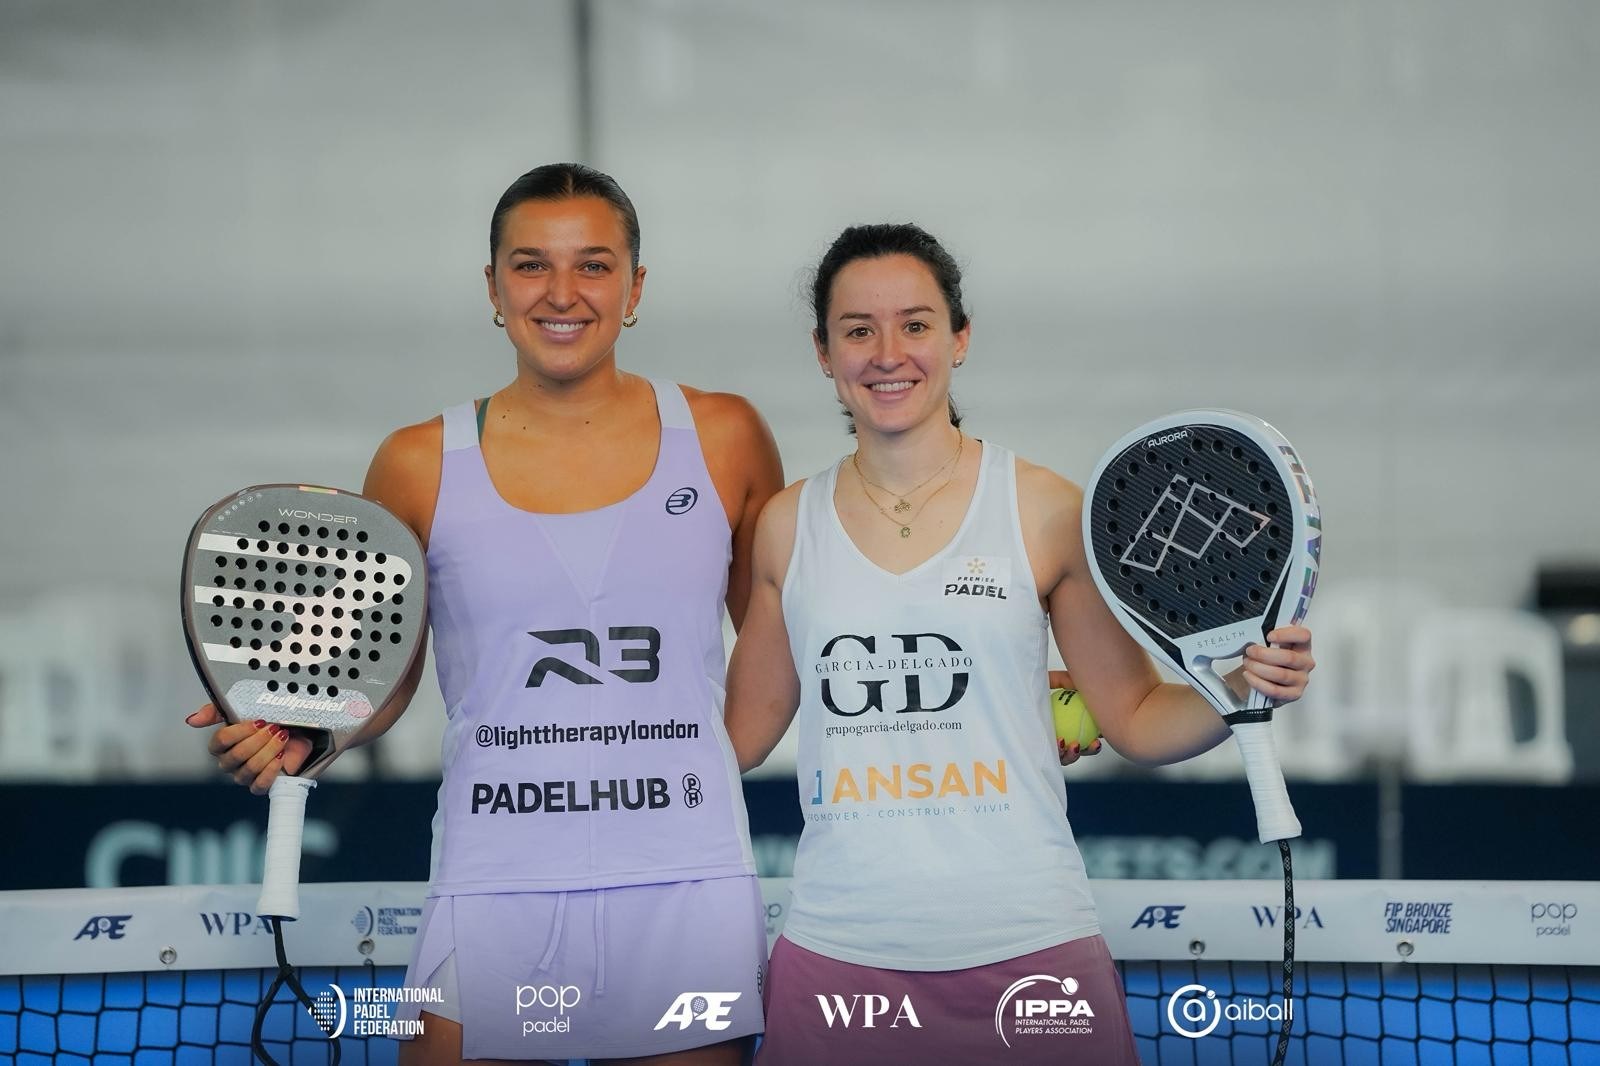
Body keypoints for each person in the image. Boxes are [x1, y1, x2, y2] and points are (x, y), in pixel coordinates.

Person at [188, 163, 785, 1065]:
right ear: (493, 286)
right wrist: (310, 734)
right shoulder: (418, 460)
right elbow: (379, 675)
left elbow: (774, 643)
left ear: (635, 287)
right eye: (530, 265)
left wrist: (691, 762)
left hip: (685, 880)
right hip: (492, 876)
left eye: (593, 265)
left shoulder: (727, 435)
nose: (561, 294)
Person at [722, 223, 1315, 1065]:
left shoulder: (1044, 508)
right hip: (839, 958)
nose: (889, 352)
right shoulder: (786, 527)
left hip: (1031, 954)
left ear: (959, 338)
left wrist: (1245, 693)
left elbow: (1139, 718)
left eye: (916, 324)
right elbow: (734, 739)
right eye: (858, 329)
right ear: (824, 352)